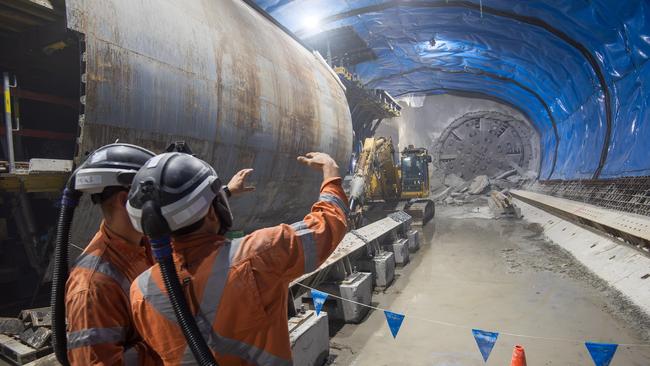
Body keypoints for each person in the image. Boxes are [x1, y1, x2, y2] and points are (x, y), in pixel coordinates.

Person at [126, 152, 348, 365]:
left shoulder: (141, 292)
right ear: (213, 212)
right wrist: (331, 174)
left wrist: (226, 192)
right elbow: (328, 225)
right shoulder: (261, 253)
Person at [65, 143, 255, 365]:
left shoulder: (147, 240)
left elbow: (186, 215)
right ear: (127, 201)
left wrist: (226, 191)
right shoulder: (93, 287)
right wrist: (164, 335)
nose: (166, 204)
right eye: (158, 196)